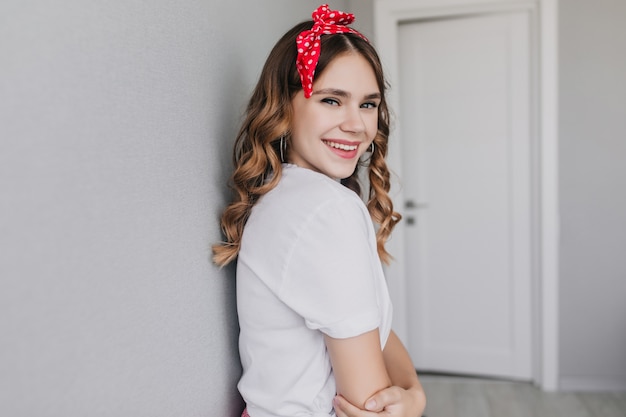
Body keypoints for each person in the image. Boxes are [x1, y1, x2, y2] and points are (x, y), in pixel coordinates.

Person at [213, 4, 426, 417]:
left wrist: (413, 389)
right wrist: (415, 400)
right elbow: (370, 407)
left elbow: (372, 327)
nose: (357, 125)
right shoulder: (327, 210)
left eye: (368, 105)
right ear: (284, 107)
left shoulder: (284, 195)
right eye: (332, 100)